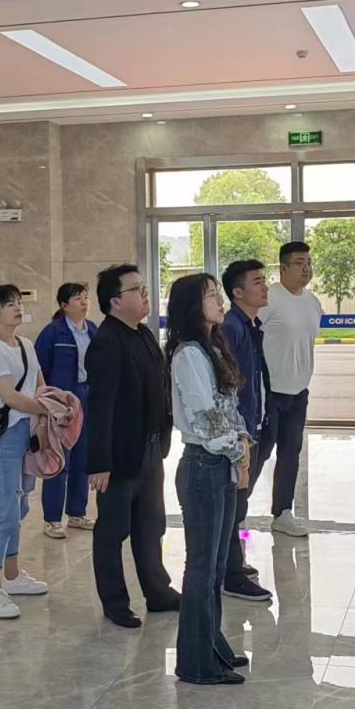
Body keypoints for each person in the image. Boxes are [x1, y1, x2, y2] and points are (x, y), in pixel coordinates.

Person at [165, 273, 252, 685]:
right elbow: (205, 418)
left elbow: (229, 409)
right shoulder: (188, 355)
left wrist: (241, 445)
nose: (220, 302)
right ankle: (195, 663)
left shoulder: (211, 346)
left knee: (215, 566)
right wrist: (238, 449)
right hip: (203, 466)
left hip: (219, 463)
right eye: (212, 296)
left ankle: (213, 645)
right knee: (201, 568)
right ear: (191, 306)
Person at [85, 264, 181, 628]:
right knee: (113, 531)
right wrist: (100, 462)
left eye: (144, 288)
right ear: (115, 301)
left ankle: (158, 592)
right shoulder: (107, 342)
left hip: (151, 449)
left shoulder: (143, 334)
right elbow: (101, 407)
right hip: (120, 457)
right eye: (136, 289)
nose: (145, 294)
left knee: (150, 526)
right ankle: (115, 602)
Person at [0, 284, 53, 620]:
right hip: (5, 436)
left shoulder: (25, 344)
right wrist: (47, 409)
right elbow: (10, 397)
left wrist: (41, 419)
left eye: (19, 302)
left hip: (27, 432)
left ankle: (12, 574)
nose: (17, 308)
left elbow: (40, 385)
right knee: (5, 511)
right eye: (9, 304)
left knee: (20, 505)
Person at [217, 259, 274, 602]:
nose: (265, 287)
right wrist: (239, 436)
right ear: (237, 292)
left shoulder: (250, 324)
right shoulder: (232, 328)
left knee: (239, 500)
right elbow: (227, 388)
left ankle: (232, 562)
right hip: (240, 432)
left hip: (253, 426)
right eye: (257, 282)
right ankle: (231, 574)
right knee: (234, 502)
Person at [258, 241, 322, 537]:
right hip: (270, 392)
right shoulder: (269, 299)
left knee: (290, 453)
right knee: (259, 453)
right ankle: (235, 511)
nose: (306, 268)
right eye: (299, 263)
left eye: (308, 262)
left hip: (298, 392)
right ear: (282, 268)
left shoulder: (313, 302)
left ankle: (282, 513)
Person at [34, 282, 97, 539]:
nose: (84, 302)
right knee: (59, 460)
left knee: (83, 458)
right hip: (61, 403)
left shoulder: (92, 330)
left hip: (87, 397)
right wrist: (45, 405)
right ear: (64, 305)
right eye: (78, 298)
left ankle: (77, 513)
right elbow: (39, 372)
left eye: (85, 297)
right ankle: (51, 519)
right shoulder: (53, 333)